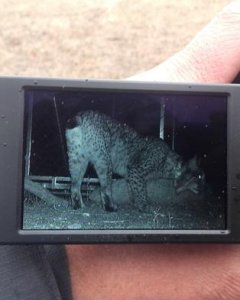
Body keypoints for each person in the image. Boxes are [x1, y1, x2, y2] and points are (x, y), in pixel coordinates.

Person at [1, 1, 240, 299]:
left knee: (80, 165)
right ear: (177, 163)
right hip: (100, 131)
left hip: (79, 126)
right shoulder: (158, 151)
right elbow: (137, 172)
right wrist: (142, 206)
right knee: (100, 166)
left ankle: (76, 200)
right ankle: (105, 202)